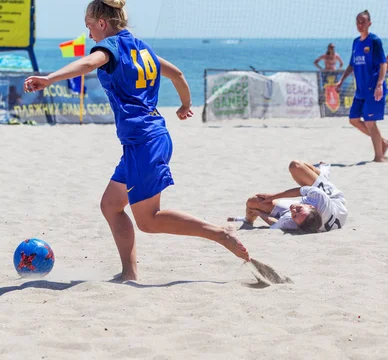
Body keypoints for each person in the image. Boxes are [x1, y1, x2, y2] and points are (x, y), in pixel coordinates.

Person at [23, 0, 249, 281]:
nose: (90, 35)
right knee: (110, 205)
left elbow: (88, 63)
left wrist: (49, 78)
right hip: (146, 138)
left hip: (144, 141)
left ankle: (219, 234)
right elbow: (177, 74)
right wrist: (185, 104)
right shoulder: (142, 47)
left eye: (90, 27)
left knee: (148, 220)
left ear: (103, 24)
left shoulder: (111, 47)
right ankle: (129, 273)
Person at [335, 10, 388, 163]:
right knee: (353, 119)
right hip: (360, 89)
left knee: (370, 121)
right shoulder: (356, 42)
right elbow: (351, 64)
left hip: (373, 88)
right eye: (358, 22)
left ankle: (379, 156)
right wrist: (341, 81)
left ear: (369, 23)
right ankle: (383, 142)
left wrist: (379, 83)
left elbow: (383, 63)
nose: (360, 25)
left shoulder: (374, 41)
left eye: (363, 22)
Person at [227, 160, 348, 233]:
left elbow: (275, 224)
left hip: (315, 215)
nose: (293, 209)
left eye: (294, 215)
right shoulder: (320, 198)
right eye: (298, 209)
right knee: (295, 166)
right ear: (311, 205)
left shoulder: (295, 223)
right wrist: (273, 196)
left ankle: (248, 220)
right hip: (333, 199)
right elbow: (299, 191)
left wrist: (260, 214)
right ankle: (322, 173)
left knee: (253, 202)